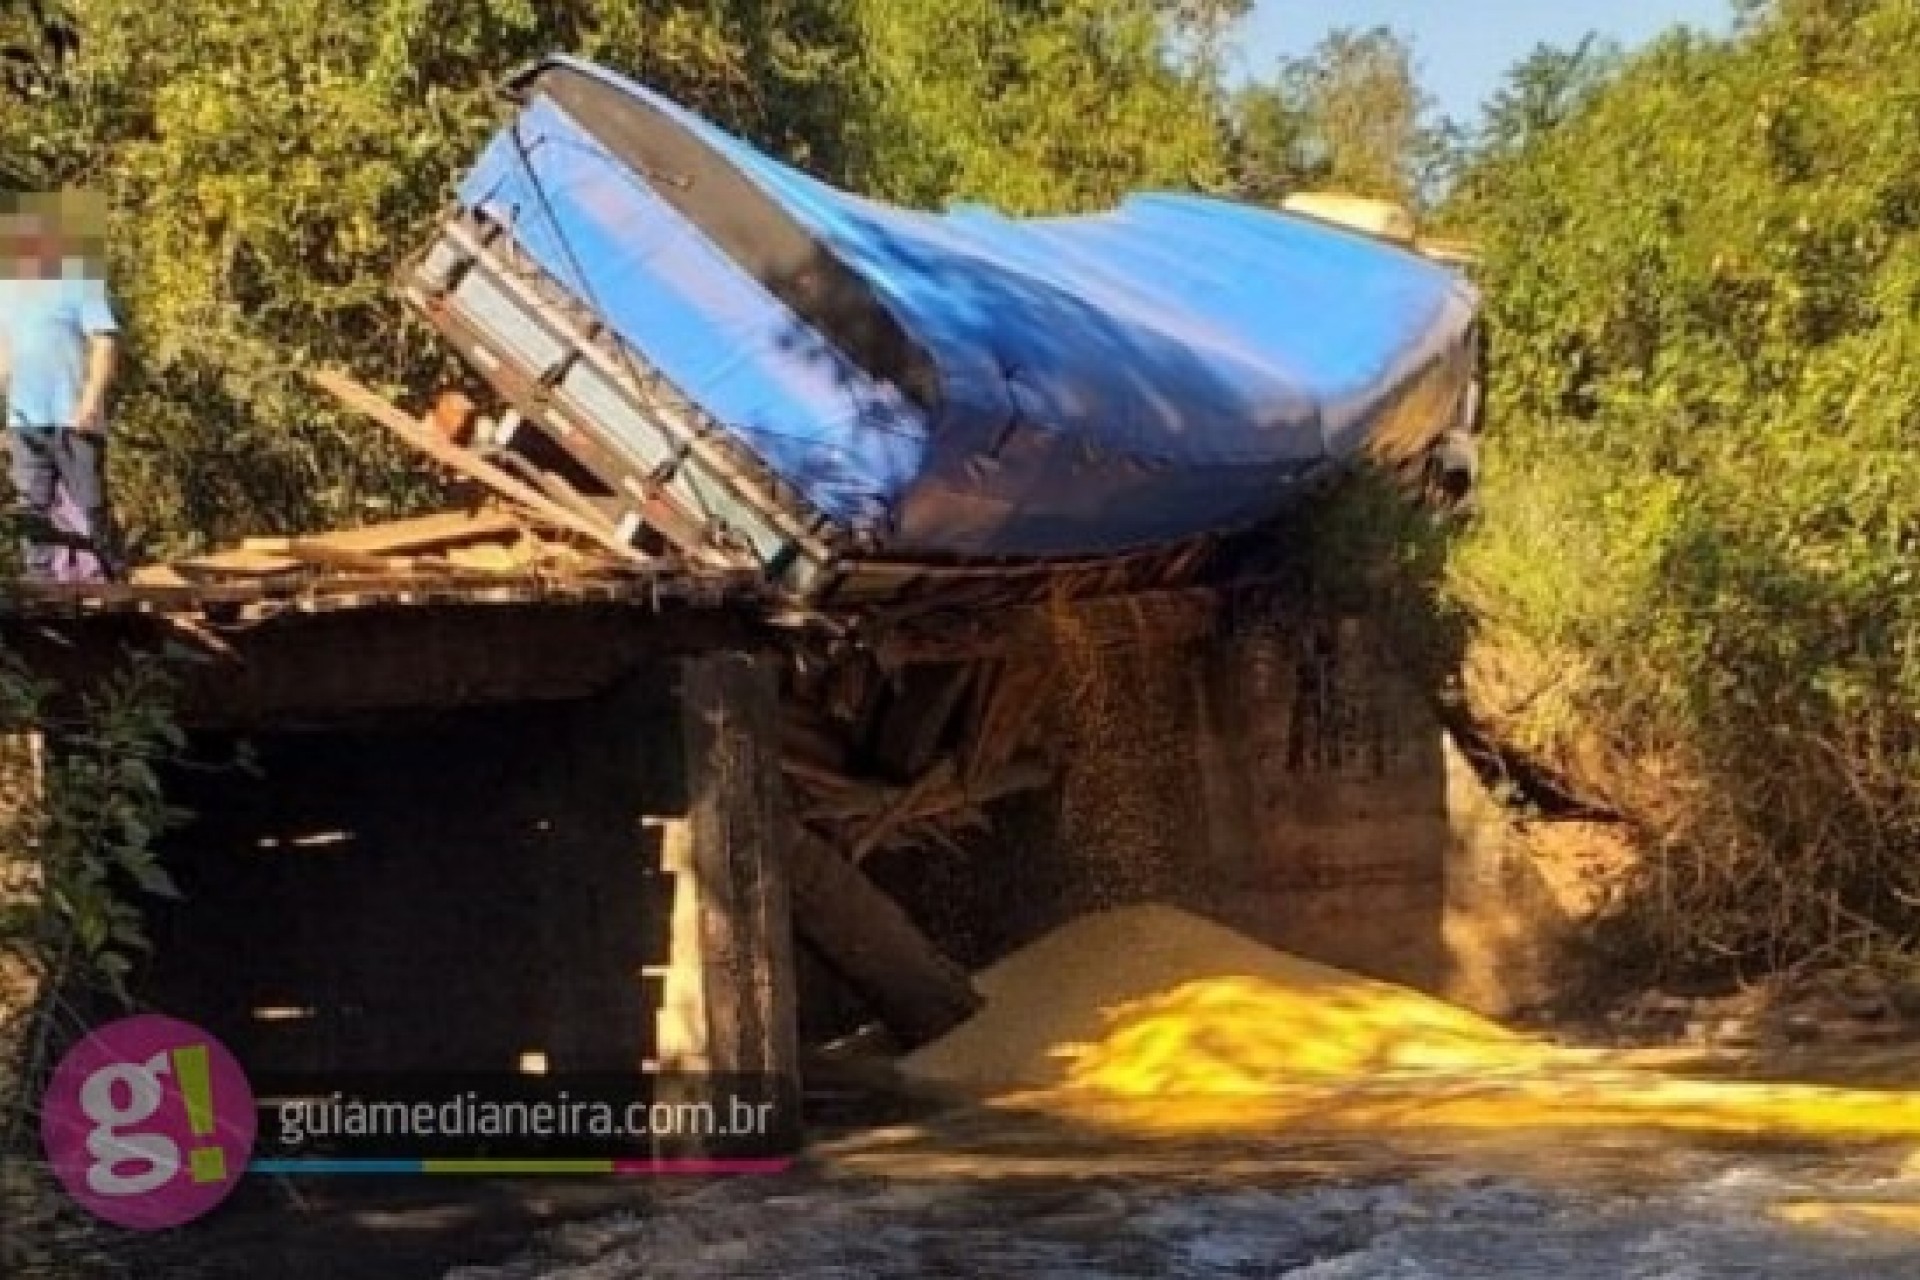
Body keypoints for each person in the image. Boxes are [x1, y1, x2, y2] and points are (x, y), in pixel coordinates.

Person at [0, 193, 123, 582]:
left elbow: (104, 342)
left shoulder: (81, 284)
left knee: (89, 506)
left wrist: (90, 399)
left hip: (74, 417)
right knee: (31, 508)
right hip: (25, 420)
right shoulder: (8, 290)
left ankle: (111, 587)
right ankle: (40, 591)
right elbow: (4, 349)